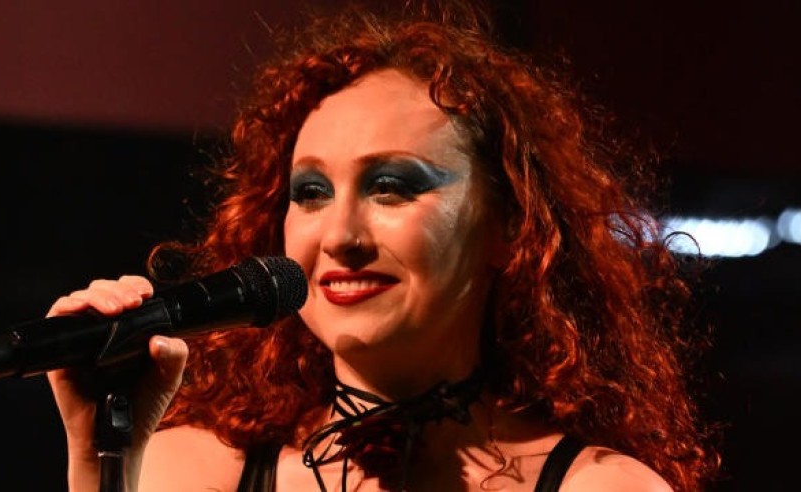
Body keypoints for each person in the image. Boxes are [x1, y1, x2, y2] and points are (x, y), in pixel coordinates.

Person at [47, 1, 718, 490]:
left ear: (512, 228)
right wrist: (97, 460)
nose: (341, 236)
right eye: (311, 193)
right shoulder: (191, 470)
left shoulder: (600, 487)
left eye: (392, 187)